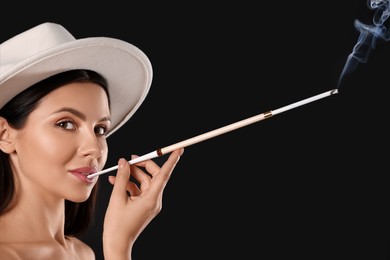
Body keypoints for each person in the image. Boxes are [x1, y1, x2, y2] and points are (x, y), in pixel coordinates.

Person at [0, 22, 184, 259]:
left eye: (99, 129)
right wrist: (118, 246)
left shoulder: (83, 254)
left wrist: (120, 243)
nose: (95, 149)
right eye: (65, 124)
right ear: (5, 135)